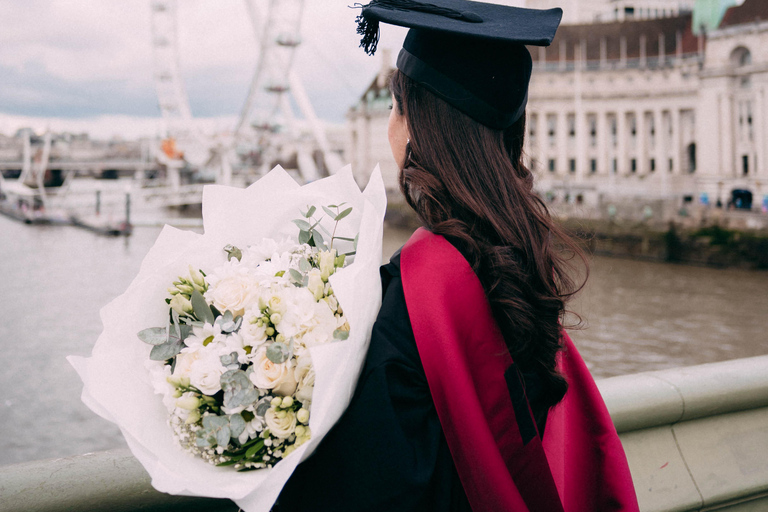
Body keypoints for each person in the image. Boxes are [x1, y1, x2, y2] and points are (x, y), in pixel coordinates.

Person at [276, 1, 639, 510]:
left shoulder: (419, 285)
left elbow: (375, 475)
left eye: (394, 107)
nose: (390, 124)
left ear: (418, 125)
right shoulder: (522, 258)